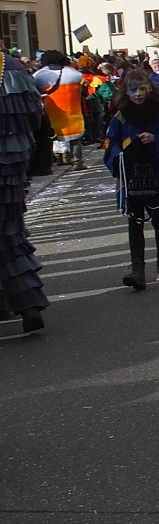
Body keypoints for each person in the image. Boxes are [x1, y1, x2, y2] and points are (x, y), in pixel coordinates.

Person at [103, 70, 159, 289]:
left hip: (157, 174)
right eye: (133, 89)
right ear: (125, 91)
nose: (137, 94)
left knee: (158, 217)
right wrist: (123, 152)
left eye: (142, 89)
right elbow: (110, 143)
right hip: (131, 175)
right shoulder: (120, 116)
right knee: (134, 220)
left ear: (149, 89)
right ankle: (137, 268)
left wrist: (156, 139)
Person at [0, 52, 48, 333]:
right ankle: (28, 303)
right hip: (12, 162)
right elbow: (35, 114)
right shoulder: (13, 66)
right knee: (10, 233)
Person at [33, 51, 87, 171]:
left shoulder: (39, 75)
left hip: (51, 111)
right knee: (75, 137)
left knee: (51, 136)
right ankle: (77, 161)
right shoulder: (75, 73)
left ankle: (58, 158)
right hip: (73, 111)